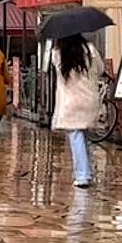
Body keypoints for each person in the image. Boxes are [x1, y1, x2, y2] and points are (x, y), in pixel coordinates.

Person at [48, 34, 102, 189]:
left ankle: (82, 175)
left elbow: (58, 71)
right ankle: (87, 171)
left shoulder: (57, 53)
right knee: (83, 135)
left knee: (76, 136)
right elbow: (100, 69)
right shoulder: (90, 49)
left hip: (70, 102)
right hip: (88, 99)